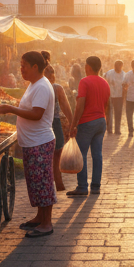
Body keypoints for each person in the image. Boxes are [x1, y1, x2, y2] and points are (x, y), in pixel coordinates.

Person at [0, 51, 56, 237]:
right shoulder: (33, 85)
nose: (21, 69)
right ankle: (39, 217)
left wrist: (11, 109)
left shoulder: (42, 87)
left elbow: (37, 114)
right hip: (32, 142)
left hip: (40, 142)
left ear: (35, 67)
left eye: (24, 66)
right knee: (35, 182)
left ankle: (47, 224)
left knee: (43, 183)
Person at [67, 56, 111, 196]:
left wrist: (73, 124)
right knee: (97, 154)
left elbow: (80, 105)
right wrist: (106, 120)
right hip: (100, 120)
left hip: (87, 122)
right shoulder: (105, 83)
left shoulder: (84, 81)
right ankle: (96, 186)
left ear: (88, 67)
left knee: (82, 154)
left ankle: (82, 186)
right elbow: (107, 105)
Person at [42, 53, 74, 192]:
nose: (51, 76)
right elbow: (66, 107)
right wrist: (73, 123)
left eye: (51, 73)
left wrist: (73, 123)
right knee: (55, 153)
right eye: (49, 74)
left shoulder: (55, 88)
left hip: (48, 123)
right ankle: (56, 181)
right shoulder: (51, 88)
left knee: (53, 153)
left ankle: (56, 181)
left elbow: (66, 107)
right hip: (49, 123)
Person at [105, 59, 125, 135]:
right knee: (109, 113)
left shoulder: (124, 75)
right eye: (117, 66)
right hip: (110, 95)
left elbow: (125, 85)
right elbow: (105, 83)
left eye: (120, 66)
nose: (119, 67)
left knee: (118, 113)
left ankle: (117, 129)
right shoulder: (109, 73)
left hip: (119, 96)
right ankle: (109, 129)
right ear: (114, 66)